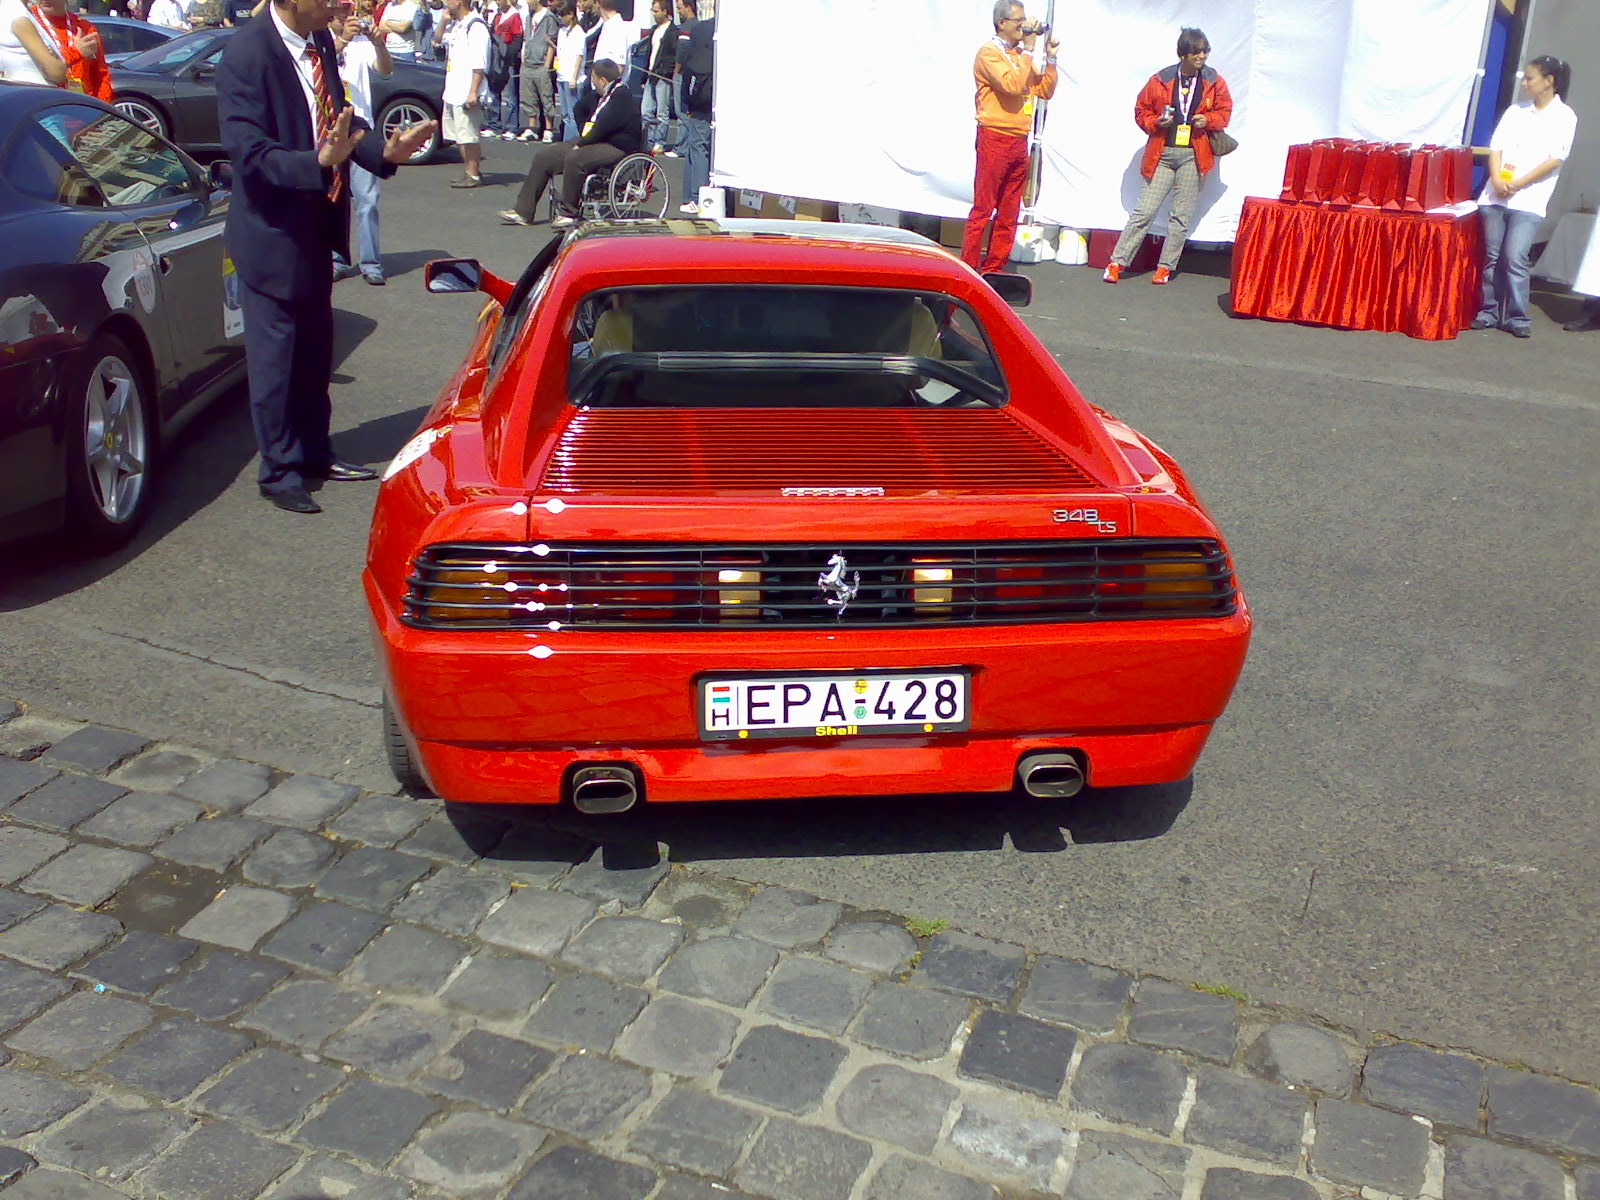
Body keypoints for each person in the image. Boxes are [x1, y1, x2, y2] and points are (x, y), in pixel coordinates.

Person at [216, 0, 436, 514]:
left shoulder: (317, 44)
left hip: (317, 228)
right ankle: (280, 470)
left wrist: (383, 152)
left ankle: (315, 451)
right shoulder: (245, 56)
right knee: (277, 363)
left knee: (315, 354)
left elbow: (340, 121)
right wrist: (315, 161)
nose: (342, 5)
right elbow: (248, 152)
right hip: (271, 233)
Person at [1102, 27, 1232, 285]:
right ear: (1183, 53)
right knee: (1144, 211)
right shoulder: (1160, 79)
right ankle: (1117, 262)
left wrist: (1208, 119)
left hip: (1194, 155)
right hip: (1162, 151)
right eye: (1197, 51)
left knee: (1180, 216)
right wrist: (1156, 122)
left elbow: (1225, 111)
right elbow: (1141, 110)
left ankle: (1165, 266)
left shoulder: (1213, 80)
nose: (1202, 56)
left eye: (1205, 51)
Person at [1472, 56, 1576, 339]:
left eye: (1530, 78)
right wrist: (1496, 178)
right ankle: (1489, 311)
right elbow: (1497, 148)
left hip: (1530, 198)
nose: (1525, 83)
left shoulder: (1564, 116)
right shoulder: (1516, 112)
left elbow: (1555, 158)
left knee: (1515, 256)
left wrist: (1519, 183)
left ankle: (1517, 315)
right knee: (1492, 257)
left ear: (1549, 80)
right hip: (1497, 195)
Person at [960, 2, 1058, 276]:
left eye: (1024, 20)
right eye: (1018, 20)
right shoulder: (988, 53)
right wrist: (1028, 50)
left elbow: (1044, 89)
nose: (1023, 26)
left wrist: (1050, 59)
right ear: (1001, 22)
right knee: (983, 208)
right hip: (994, 136)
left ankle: (994, 269)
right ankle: (968, 270)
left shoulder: (1019, 56)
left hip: (1019, 140)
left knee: (1009, 211)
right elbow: (1013, 86)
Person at [498, 55, 639, 227]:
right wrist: (582, 129)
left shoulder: (621, 96)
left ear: (602, 80)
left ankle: (569, 212)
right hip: (594, 139)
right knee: (545, 157)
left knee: (576, 158)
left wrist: (581, 143)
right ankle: (524, 211)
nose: (591, 81)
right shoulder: (599, 94)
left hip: (616, 145)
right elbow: (579, 108)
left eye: (593, 78)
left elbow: (603, 127)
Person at [331, 0, 393, 285]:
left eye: (349, 8)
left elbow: (385, 70)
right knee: (334, 200)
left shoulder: (359, 43)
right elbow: (324, 63)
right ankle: (336, 259)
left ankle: (371, 263)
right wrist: (342, 39)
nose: (347, 14)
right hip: (329, 131)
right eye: (341, 9)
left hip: (360, 130)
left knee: (367, 200)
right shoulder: (320, 41)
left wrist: (379, 44)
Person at [0, 0, 104, 94]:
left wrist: (102, 110)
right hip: (40, 99)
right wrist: (75, 52)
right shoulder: (22, 17)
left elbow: (101, 74)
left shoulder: (84, 26)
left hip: (76, 102)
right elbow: (54, 71)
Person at [440, 0, 488, 186]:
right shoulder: (457, 24)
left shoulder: (476, 26)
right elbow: (437, 40)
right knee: (460, 135)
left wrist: (473, 92)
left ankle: (473, 174)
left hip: (466, 89)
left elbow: (479, 64)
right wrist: (444, 22)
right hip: (453, 88)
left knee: (469, 135)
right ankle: (468, 170)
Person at [675, 3, 709, 213]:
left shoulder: (696, 30)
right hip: (710, 100)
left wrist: (686, 100)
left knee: (696, 147)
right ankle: (694, 195)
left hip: (699, 99)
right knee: (698, 147)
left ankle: (694, 196)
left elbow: (688, 67)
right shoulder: (710, 31)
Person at [517, 0, 558, 141]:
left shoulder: (549, 17)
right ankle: (531, 128)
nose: (528, 2)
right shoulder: (529, 17)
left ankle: (548, 129)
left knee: (546, 98)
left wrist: (547, 65)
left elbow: (552, 42)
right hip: (528, 63)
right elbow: (526, 39)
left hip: (541, 64)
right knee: (528, 98)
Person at [637, 0, 673, 154]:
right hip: (650, 74)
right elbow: (648, 53)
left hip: (662, 76)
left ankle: (659, 142)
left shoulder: (672, 31)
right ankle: (648, 139)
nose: (654, 14)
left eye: (656, 11)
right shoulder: (654, 30)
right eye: (653, 10)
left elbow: (672, 55)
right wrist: (643, 77)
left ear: (665, 11)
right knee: (646, 111)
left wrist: (666, 72)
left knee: (662, 112)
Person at [484, 0, 521, 136]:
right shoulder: (497, 16)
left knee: (509, 96)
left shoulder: (515, 16)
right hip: (495, 60)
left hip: (507, 62)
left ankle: (511, 127)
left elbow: (517, 40)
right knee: (494, 93)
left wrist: (509, 58)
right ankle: (494, 125)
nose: (498, 2)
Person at [553, 0, 585, 139]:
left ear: (571, 14)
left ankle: (571, 141)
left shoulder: (578, 32)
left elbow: (579, 56)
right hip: (561, 75)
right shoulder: (562, 31)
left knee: (572, 114)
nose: (560, 18)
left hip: (572, 77)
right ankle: (567, 139)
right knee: (565, 114)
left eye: (562, 15)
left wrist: (574, 77)